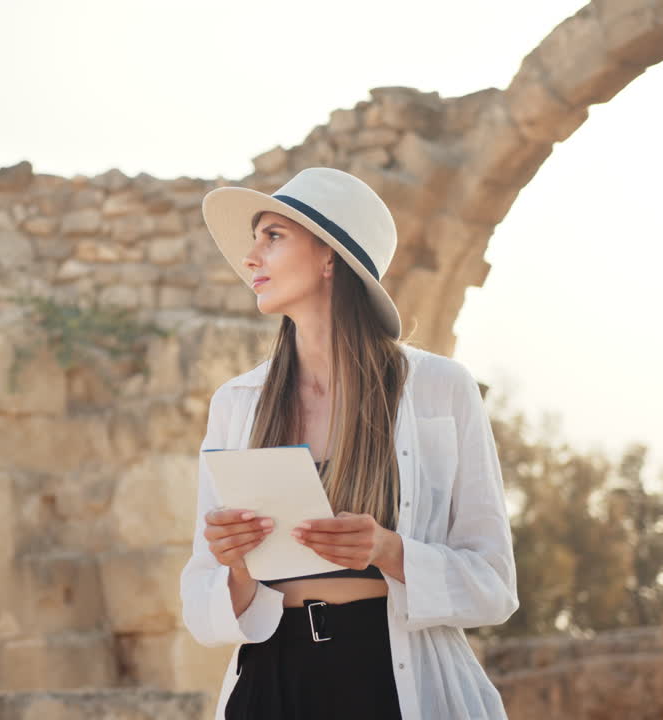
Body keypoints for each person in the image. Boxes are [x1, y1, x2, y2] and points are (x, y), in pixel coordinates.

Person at [179, 167, 519, 720]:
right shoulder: (236, 403)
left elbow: (494, 587)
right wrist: (236, 564)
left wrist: (388, 551)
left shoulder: (439, 389)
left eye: (273, 236)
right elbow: (201, 603)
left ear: (329, 257)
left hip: (384, 680)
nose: (251, 258)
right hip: (269, 683)